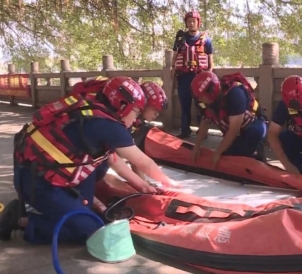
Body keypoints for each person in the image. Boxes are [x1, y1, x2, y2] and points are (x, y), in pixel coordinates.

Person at [0, 76, 179, 244]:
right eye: (136, 111)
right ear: (123, 105)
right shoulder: (106, 125)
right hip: (39, 184)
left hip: (35, 171)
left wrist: (143, 187)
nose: (135, 117)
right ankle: (21, 221)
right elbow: (142, 162)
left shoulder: (95, 108)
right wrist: (170, 183)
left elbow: (112, 159)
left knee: (96, 177)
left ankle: (70, 207)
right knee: (92, 230)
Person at [190, 71, 268, 168]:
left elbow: (234, 130)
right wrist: (197, 146)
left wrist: (217, 152)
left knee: (242, 158)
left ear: (210, 91)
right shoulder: (208, 101)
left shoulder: (235, 94)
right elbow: (205, 121)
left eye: (201, 97)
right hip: (236, 132)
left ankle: (257, 152)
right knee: (228, 157)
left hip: (253, 127)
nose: (200, 100)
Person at [171, 10, 214, 138]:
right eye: (189, 21)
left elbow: (211, 62)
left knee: (201, 105)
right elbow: (174, 58)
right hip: (184, 77)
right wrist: (173, 74)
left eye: (193, 21)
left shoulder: (206, 40)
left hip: (199, 77)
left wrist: (209, 76)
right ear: (186, 23)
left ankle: (203, 131)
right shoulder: (180, 39)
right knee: (185, 105)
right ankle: (185, 130)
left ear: (198, 23)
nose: (191, 23)